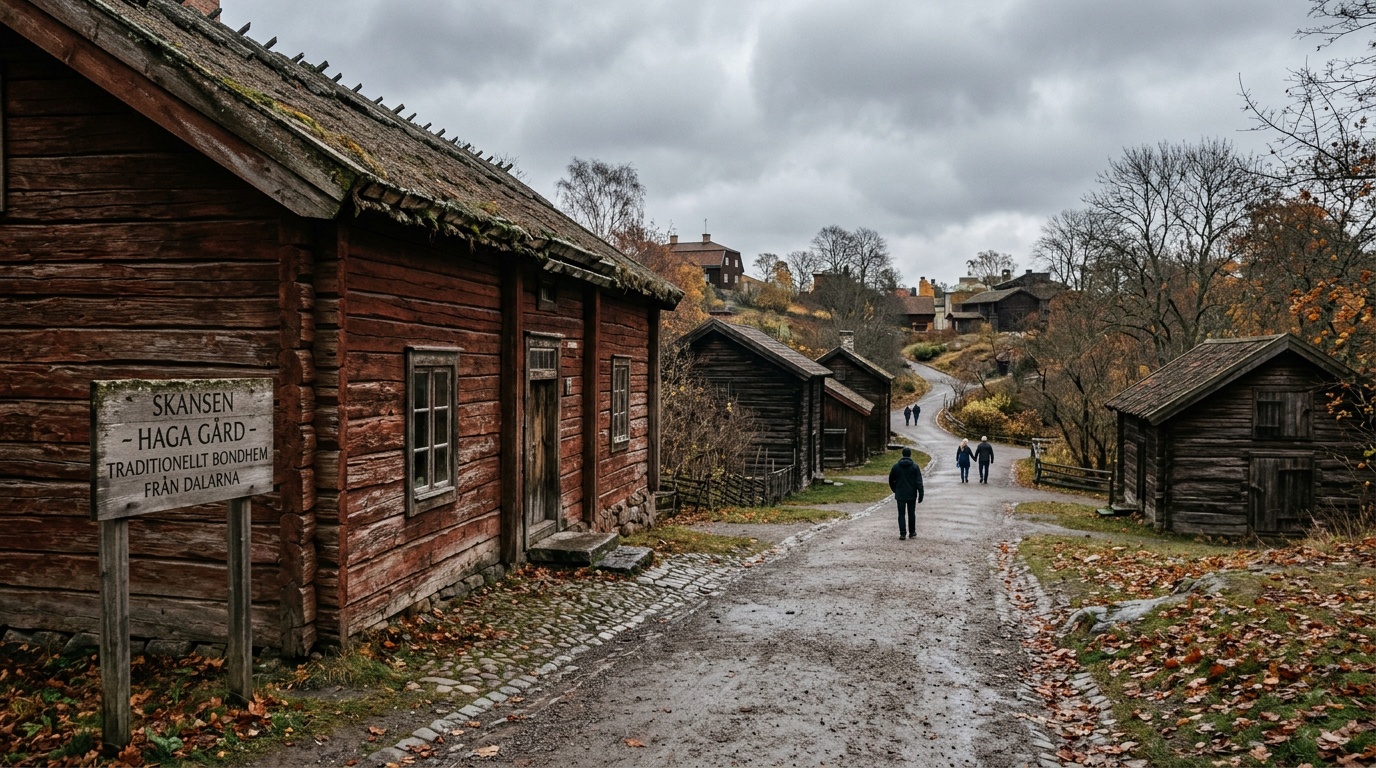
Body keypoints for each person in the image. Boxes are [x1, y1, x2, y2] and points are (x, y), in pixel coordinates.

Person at [887, 447, 924, 540]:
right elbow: (919, 482)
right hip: (911, 494)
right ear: (910, 455)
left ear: (902, 454)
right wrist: (921, 494)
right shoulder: (915, 467)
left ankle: (902, 533)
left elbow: (891, 480)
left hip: (900, 494)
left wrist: (895, 490)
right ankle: (912, 532)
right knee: (911, 513)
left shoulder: (896, 467)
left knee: (901, 514)